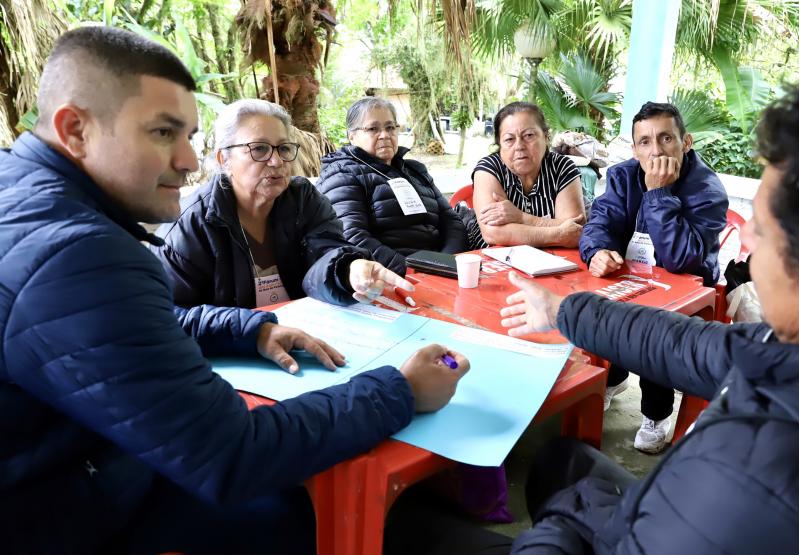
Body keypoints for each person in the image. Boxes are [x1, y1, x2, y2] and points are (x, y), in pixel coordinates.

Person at [0, 26, 469, 554]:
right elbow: (230, 453)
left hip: (85, 462)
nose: (185, 160)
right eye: (161, 133)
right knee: (298, 512)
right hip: (62, 508)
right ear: (76, 129)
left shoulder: (26, 198)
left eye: (188, 137)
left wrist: (252, 328)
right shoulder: (83, 251)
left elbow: (139, 321)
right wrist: (400, 390)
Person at [495, 62, 799, 553]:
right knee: (561, 459)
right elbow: (693, 344)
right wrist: (567, 310)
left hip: (654, 520)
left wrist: (563, 524)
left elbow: (686, 261)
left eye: (763, 225)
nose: (746, 240)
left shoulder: (745, 480)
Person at [153, 98, 403, 310]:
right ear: (224, 158)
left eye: (283, 148)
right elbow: (173, 316)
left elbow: (326, 253)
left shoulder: (303, 199)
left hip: (307, 337)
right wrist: (258, 332)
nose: (276, 161)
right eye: (259, 149)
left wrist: (349, 269)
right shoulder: (189, 226)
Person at [579, 101, 728, 453]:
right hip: (632, 278)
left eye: (665, 139)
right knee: (601, 305)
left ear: (685, 142)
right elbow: (600, 223)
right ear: (634, 148)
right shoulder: (621, 176)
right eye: (645, 142)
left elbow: (682, 260)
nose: (655, 150)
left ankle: (656, 412)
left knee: (652, 328)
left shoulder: (707, 190)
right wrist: (597, 250)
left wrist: (659, 193)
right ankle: (613, 377)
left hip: (687, 290)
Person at [316, 97, 468, 275]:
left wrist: (445, 264)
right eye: (373, 128)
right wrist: (411, 271)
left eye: (390, 127)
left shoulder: (415, 170)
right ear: (352, 136)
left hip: (441, 269)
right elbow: (352, 237)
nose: (385, 135)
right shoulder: (341, 174)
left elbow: (451, 220)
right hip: (390, 277)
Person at [467, 102, 586, 249]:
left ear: (546, 137)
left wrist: (521, 218)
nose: (519, 146)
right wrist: (558, 235)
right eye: (509, 139)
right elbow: (493, 233)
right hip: (496, 259)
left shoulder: (562, 167)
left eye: (529, 135)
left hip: (556, 259)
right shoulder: (488, 168)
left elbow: (576, 228)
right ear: (500, 144)